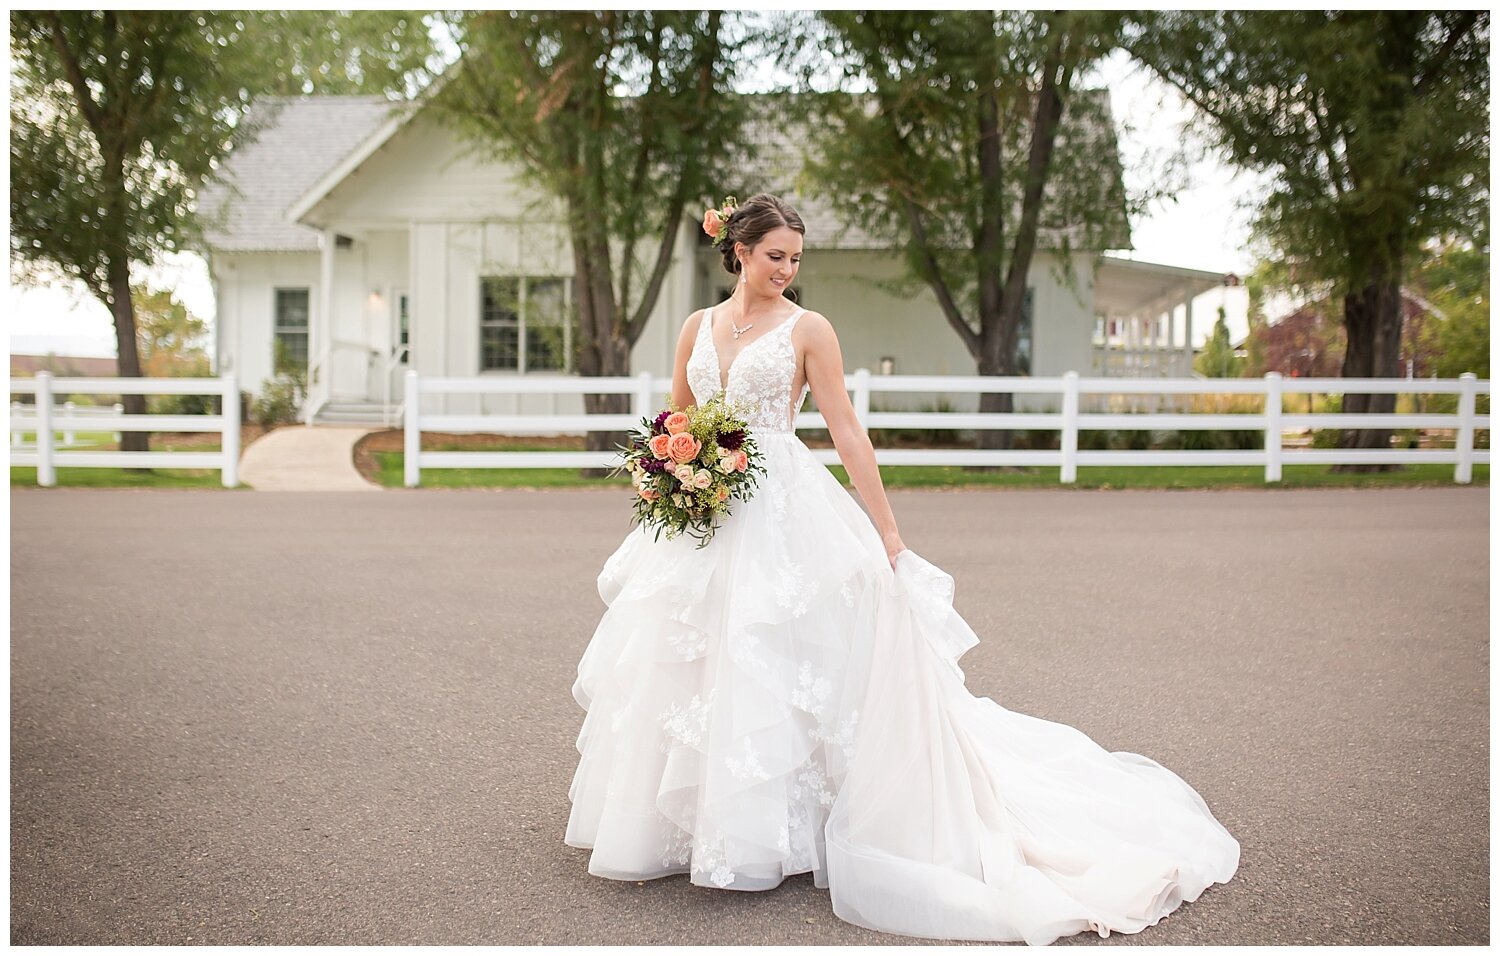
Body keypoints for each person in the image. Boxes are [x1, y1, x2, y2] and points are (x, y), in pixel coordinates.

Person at [563, 193, 1239, 945]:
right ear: (740, 252)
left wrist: (888, 533)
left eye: (796, 258)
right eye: (775, 255)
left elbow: (845, 428)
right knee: (693, 655)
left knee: (779, 654)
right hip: (705, 510)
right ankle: (683, 825)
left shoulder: (808, 330)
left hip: (781, 500)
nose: (787, 270)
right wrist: (666, 472)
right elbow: (677, 418)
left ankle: (785, 826)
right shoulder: (696, 326)